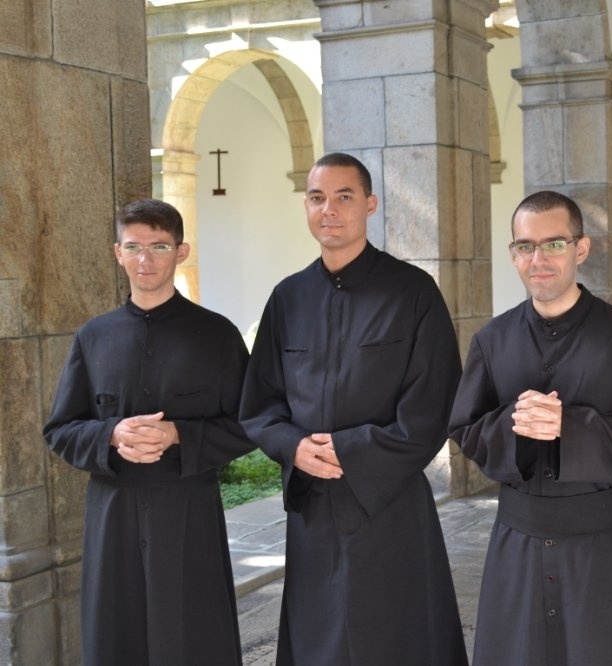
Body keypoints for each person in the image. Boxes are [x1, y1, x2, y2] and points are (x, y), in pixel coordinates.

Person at [239, 152, 468, 665]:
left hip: (390, 506)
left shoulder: (413, 293)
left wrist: (348, 451)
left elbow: (432, 407)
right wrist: (294, 447)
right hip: (312, 508)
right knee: (318, 639)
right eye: (318, 198)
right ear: (306, 207)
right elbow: (259, 404)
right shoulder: (287, 298)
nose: (330, 210)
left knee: (398, 641)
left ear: (370, 204)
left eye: (344, 196)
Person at [448, 190, 612, 665]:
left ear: (581, 249)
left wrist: (571, 427)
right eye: (525, 246)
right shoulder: (491, 340)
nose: (539, 259)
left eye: (554, 244)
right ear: (513, 254)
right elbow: (465, 428)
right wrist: (517, 425)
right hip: (518, 544)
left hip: (605, 550)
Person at [44, 198, 253, 665]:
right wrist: (112, 435)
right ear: (117, 253)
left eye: (159, 246)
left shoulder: (218, 336)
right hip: (112, 513)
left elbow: (250, 424)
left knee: (193, 634)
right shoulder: (92, 337)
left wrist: (179, 434)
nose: (146, 259)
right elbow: (60, 429)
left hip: (188, 510)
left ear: (181, 251)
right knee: (116, 636)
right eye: (134, 246)